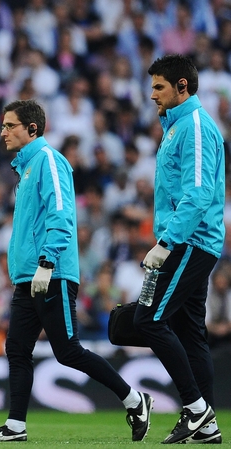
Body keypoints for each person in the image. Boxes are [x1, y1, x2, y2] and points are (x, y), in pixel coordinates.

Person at [0, 100, 152, 443]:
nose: (3, 132)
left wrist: (47, 262)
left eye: (10, 126)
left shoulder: (49, 161)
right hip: (29, 277)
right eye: (3, 125)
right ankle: (15, 427)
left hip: (50, 274)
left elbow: (61, 215)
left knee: (68, 350)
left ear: (33, 129)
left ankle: (134, 400)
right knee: (17, 349)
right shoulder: (26, 168)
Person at [132, 54, 225, 445]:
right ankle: (207, 427)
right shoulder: (177, 126)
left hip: (188, 241)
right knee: (191, 335)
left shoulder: (197, 127)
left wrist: (166, 242)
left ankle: (196, 408)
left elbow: (199, 192)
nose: (151, 94)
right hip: (187, 240)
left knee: (147, 320)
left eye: (159, 87)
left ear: (182, 86)